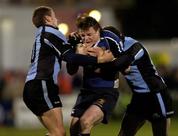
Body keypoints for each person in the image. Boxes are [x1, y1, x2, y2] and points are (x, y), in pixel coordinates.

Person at [22, 6, 113, 136]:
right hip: (42, 85)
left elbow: (66, 56)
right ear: (48, 19)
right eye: (54, 17)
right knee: (59, 133)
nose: (56, 19)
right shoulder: (50, 33)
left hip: (33, 87)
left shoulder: (42, 34)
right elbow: (70, 57)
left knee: (56, 133)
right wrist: (100, 60)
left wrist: (71, 43)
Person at [92, 26, 174, 136]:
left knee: (160, 133)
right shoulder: (114, 49)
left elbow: (121, 64)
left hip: (155, 94)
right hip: (139, 97)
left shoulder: (134, 46)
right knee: (124, 133)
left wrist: (99, 61)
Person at [66, 15, 123, 136]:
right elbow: (71, 71)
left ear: (98, 31)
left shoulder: (109, 39)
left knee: (86, 121)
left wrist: (103, 58)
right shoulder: (77, 42)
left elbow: (122, 62)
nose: (86, 38)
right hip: (86, 91)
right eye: (83, 35)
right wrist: (77, 56)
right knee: (73, 129)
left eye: (89, 34)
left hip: (106, 91)